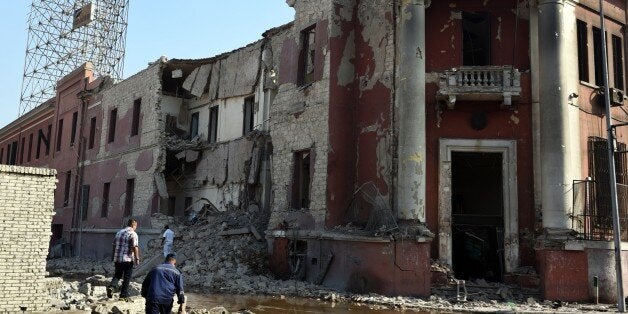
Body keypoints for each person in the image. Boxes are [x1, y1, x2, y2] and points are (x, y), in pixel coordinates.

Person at [107, 218, 140, 301]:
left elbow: (114, 245)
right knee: (127, 277)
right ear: (133, 225)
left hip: (118, 258)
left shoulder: (119, 232)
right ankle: (123, 295)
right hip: (128, 259)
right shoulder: (133, 233)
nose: (136, 227)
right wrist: (137, 258)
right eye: (136, 226)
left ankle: (112, 287)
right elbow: (135, 247)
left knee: (117, 274)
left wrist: (113, 256)